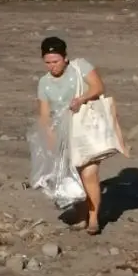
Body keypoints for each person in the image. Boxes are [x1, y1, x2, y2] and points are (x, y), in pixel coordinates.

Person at [37, 36, 105, 235]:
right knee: (72, 177)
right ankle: (82, 215)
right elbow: (43, 114)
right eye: (48, 62)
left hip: (87, 129)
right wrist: (48, 137)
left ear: (65, 58)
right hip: (63, 135)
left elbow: (99, 87)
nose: (52, 66)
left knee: (89, 174)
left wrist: (82, 98)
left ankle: (93, 219)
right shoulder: (43, 83)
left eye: (56, 61)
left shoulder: (80, 67)